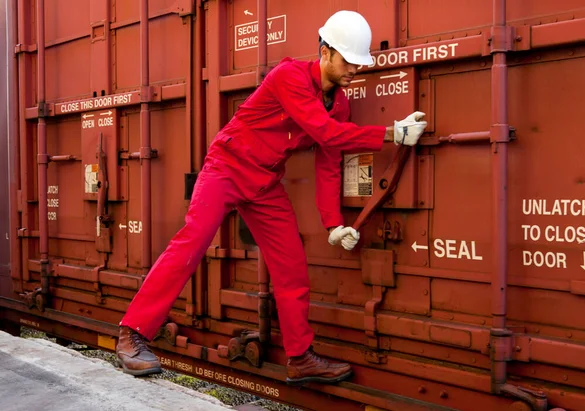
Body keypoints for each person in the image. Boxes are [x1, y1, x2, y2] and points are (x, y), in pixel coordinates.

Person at [115, 10, 427, 385]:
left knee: (292, 263)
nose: (354, 71)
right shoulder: (289, 75)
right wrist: (390, 133)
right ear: (325, 51)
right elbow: (325, 133)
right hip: (227, 167)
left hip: (264, 183)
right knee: (192, 242)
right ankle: (132, 334)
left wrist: (333, 223)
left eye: (359, 63)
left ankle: (300, 357)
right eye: (348, 61)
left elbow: (329, 162)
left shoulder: (339, 103)